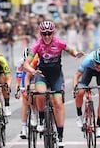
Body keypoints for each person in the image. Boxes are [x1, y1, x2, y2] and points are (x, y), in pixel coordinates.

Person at [23, 20, 85, 148]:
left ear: (53, 33)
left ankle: (61, 136)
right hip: (42, 74)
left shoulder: (59, 42)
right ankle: (41, 119)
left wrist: (76, 53)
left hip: (56, 75)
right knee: (39, 92)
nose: (46, 36)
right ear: (40, 33)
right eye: (44, 34)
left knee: (57, 102)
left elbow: (70, 50)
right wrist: (33, 71)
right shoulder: (37, 45)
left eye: (49, 33)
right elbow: (26, 64)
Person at [73, 48, 100, 138]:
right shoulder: (87, 61)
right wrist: (75, 88)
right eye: (97, 63)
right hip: (89, 70)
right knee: (80, 92)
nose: (99, 66)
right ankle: (79, 115)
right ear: (93, 60)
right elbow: (76, 75)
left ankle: (98, 126)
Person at [14, 48, 38, 139]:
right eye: (26, 61)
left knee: (36, 94)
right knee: (25, 101)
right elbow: (18, 79)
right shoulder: (21, 63)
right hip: (25, 77)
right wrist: (18, 90)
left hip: (35, 76)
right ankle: (23, 128)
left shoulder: (37, 60)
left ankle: (37, 115)